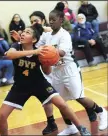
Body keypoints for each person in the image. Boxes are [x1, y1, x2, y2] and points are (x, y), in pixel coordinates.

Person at [0, 23, 90, 136]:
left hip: (39, 83)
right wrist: (34, 52)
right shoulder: (17, 46)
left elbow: (47, 72)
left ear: (34, 39)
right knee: (1, 116)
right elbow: (10, 55)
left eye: (27, 32)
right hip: (20, 86)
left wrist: (47, 62)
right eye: (24, 32)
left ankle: (81, 128)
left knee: (62, 104)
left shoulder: (41, 52)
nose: (23, 34)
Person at [45, 4, 108, 135]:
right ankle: (70, 127)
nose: (51, 21)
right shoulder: (47, 36)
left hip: (70, 69)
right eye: (49, 19)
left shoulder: (65, 35)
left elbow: (61, 52)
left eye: (53, 19)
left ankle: (101, 111)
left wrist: (47, 52)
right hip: (56, 72)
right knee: (61, 102)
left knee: (79, 97)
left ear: (61, 20)